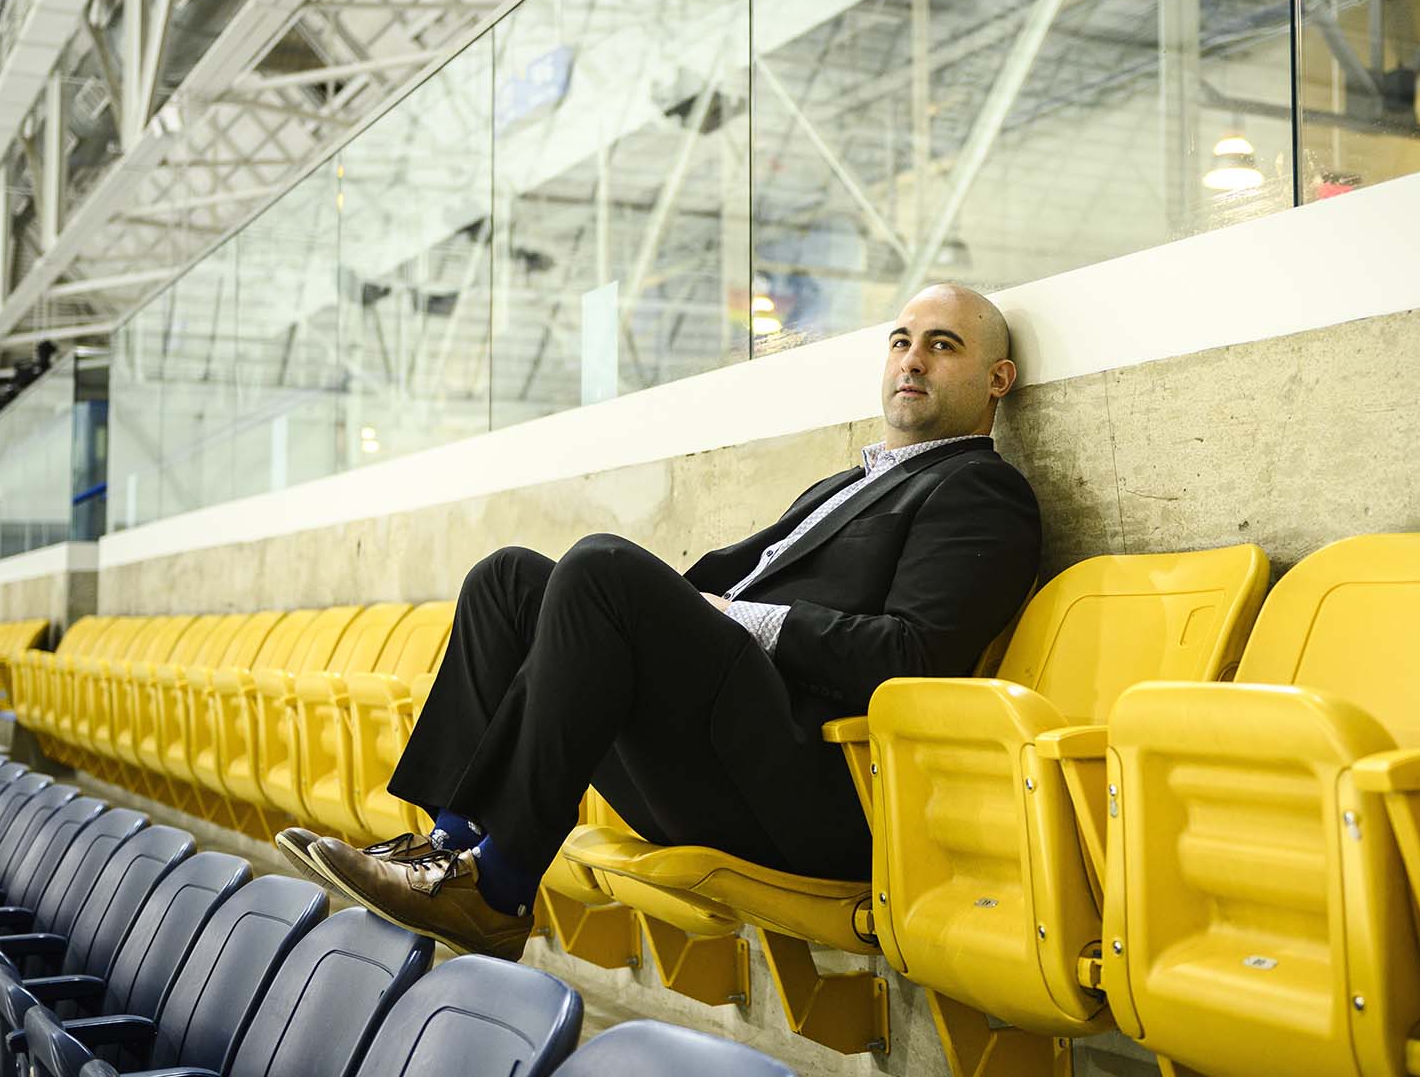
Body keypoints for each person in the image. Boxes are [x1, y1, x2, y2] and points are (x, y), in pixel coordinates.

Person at [276, 283, 1042, 956]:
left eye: (943, 347)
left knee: (602, 567)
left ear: (996, 379)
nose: (912, 361)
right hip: (720, 755)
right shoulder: (852, 481)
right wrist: (644, 612)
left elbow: (911, 655)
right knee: (509, 580)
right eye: (902, 342)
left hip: (812, 788)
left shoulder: (980, 491)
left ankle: (501, 886)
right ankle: (447, 850)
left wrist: (742, 620)